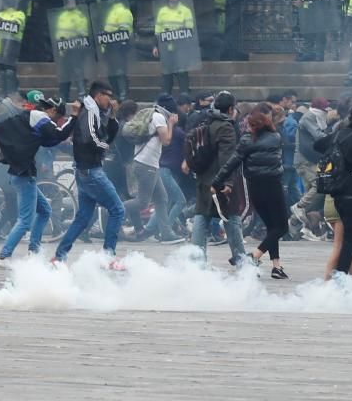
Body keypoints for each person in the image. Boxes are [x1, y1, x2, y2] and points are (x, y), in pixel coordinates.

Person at [0, 96, 78, 267]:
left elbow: (51, 140)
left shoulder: (32, 117)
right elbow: (58, 133)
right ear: (52, 110)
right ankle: (4, 256)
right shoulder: (39, 116)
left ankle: (34, 251)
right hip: (24, 174)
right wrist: (75, 116)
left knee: (45, 210)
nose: (56, 121)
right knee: (25, 220)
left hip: (22, 173)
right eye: (58, 117)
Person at [213, 104, 290, 279]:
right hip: (273, 186)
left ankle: (276, 266)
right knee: (281, 227)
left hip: (254, 187)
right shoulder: (276, 137)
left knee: (272, 226)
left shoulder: (247, 140)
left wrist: (217, 180)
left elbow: (231, 163)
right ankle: (254, 256)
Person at [52, 82, 125, 263]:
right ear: (99, 95)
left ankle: (59, 255)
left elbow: (108, 134)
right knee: (118, 210)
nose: (110, 100)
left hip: (86, 170)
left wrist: (113, 117)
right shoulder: (90, 112)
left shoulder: (97, 113)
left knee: (83, 217)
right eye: (108, 96)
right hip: (91, 171)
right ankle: (108, 257)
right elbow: (91, 139)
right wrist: (105, 148)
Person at [314, 101, 352, 279]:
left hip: (336, 192)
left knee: (351, 238)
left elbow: (317, 145)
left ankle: (341, 277)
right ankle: (340, 278)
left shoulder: (337, 135)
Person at [190, 91, 247, 266]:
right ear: (231, 109)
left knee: (202, 215)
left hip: (203, 178)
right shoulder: (226, 127)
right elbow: (227, 158)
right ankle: (242, 261)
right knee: (232, 218)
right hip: (220, 180)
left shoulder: (206, 122)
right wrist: (228, 182)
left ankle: (196, 262)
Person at [122, 96, 183, 244]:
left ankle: (166, 233)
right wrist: (171, 123)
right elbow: (166, 140)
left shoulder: (153, 115)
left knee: (162, 199)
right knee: (143, 202)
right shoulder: (158, 117)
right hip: (146, 164)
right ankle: (113, 209)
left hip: (150, 164)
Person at [290, 98, 331, 239]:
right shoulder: (309, 117)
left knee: (312, 196)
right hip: (304, 161)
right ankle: (299, 207)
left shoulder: (316, 118)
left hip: (311, 160)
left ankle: (299, 227)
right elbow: (318, 136)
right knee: (319, 185)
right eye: (325, 110)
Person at [153, 0, 196, 95]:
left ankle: (184, 95)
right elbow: (158, 31)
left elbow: (189, 29)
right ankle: (166, 96)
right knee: (167, 73)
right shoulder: (162, 11)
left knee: (182, 72)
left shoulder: (185, 11)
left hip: (181, 46)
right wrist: (155, 46)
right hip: (165, 47)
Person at [52, 0, 91, 100]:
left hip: (75, 48)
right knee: (65, 73)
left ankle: (82, 94)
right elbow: (59, 33)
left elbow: (83, 33)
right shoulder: (62, 16)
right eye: (68, 1)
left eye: (72, 1)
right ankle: (63, 96)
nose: (70, 3)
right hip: (64, 49)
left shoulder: (79, 16)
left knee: (78, 71)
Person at [99, 0, 134, 101]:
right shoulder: (112, 12)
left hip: (119, 47)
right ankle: (116, 94)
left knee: (119, 71)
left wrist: (119, 43)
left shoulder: (124, 12)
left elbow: (124, 31)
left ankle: (123, 94)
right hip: (111, 47)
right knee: (112, 73)